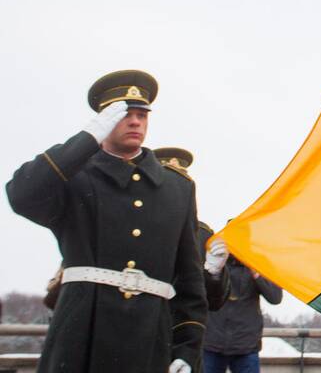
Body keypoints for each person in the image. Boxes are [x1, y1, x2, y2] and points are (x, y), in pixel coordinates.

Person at [6, 70, 206, 373]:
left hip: (150, 337)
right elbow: (21, 194)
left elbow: (190, 281)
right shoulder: (76, 177)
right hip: (81, 334)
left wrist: (187, 348)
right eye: (124, 114)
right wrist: (85, 140)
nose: (135, 121)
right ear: (104, 121)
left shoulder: (177, 187)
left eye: (142, 114)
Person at [155, 146, 231, 311]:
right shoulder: (133, 225)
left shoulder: (202, 235)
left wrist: (213, 273)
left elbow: (214, 302)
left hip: (182, 330)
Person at [202, 249, 283, 373]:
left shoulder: (260, 261)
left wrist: (257, 274)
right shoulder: (214, 260)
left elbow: (275, 297)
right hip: (212, 343)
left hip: (246, 346)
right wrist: (214, 271)